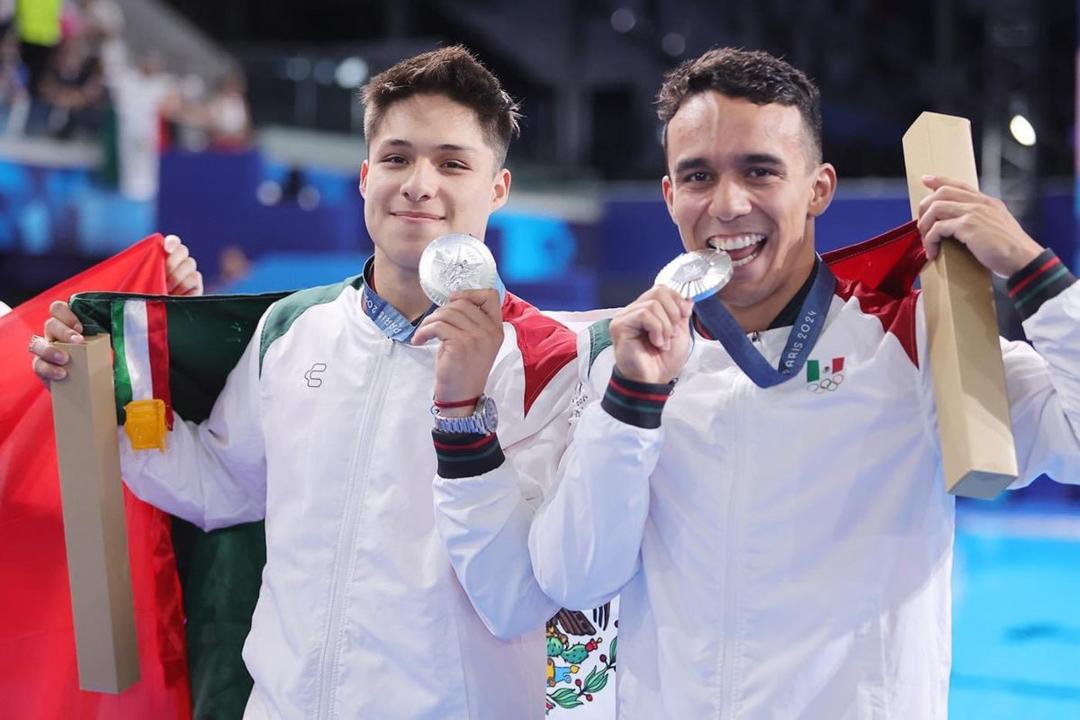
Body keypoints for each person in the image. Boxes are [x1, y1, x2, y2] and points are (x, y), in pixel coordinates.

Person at [518, 48, 1080, 718]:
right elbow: (574, 578)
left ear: (818, 187)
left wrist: (1034, 273)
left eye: (759, 170)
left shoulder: (910, 337)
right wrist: (631, 404)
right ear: (670, 196)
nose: (727, 204)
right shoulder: (629, 361)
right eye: (698, 176)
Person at [31, 46, 576, 719]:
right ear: (365, 174)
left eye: (453, 162)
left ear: (498, 188)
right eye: (398, 158)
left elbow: (525, 594)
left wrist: (464, 418)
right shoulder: (293, 330)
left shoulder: (551, 360)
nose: (418, 184)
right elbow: (219, 485)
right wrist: (102, 388)